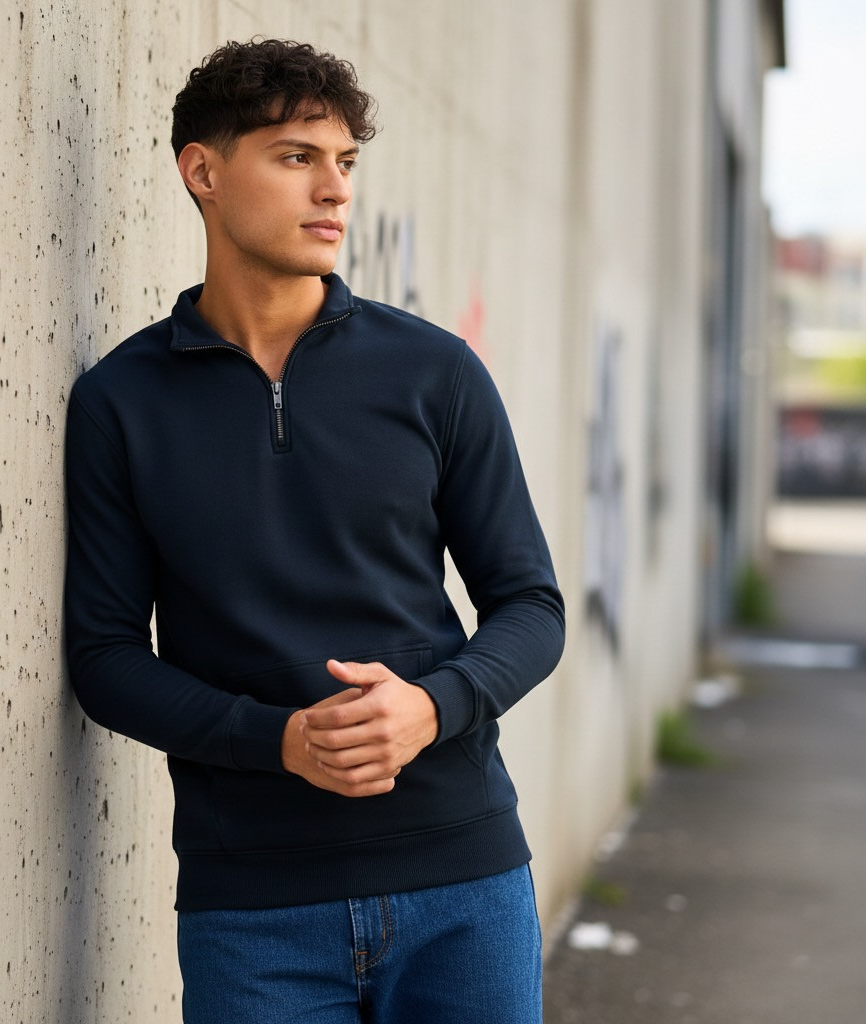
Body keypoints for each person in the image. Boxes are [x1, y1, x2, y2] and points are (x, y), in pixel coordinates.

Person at [64, 37, 565, 1024]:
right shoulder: (122, 401)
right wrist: (278, 740)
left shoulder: (434, 373)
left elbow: (530, 605)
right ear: (203, 172)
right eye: (296, 157)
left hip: (463, 885)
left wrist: (433, 707)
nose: (333, 188)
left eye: (343, 161)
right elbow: (105, 657)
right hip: (253, 910)